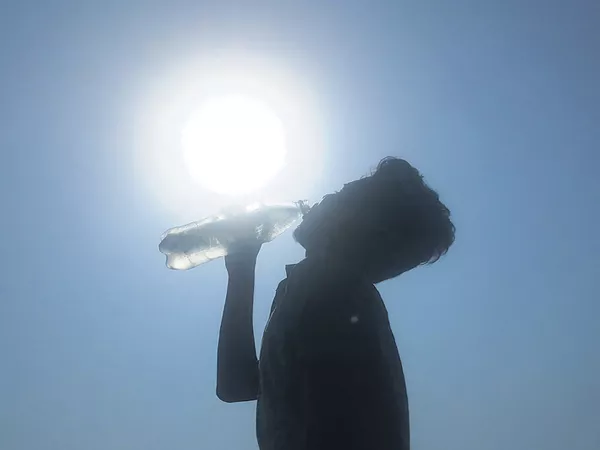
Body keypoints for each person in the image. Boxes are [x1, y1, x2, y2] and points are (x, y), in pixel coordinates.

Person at [216, 157, 455, 450]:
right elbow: (237, 385)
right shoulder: (316, 288)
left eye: (341, 196)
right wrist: (241, 265)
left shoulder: (332, 292)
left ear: (357, 225)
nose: (326, 197)